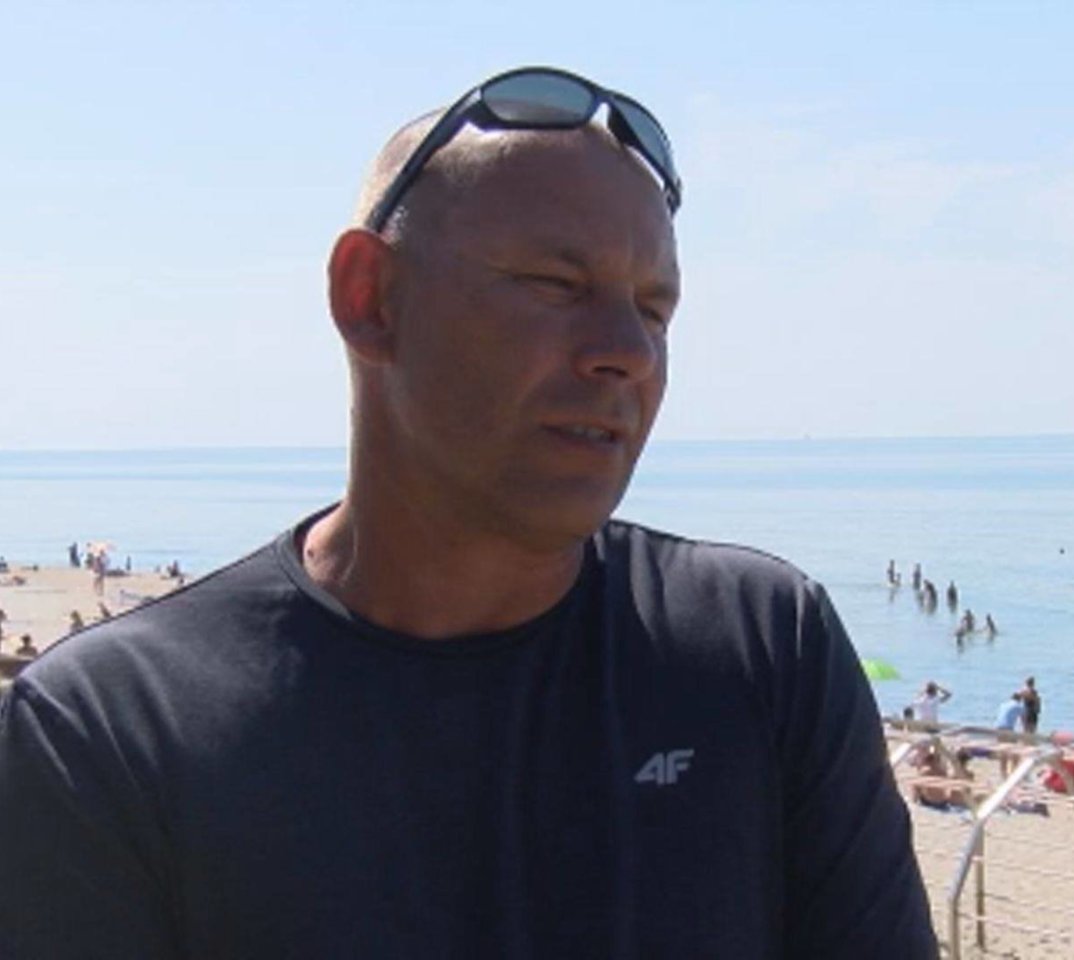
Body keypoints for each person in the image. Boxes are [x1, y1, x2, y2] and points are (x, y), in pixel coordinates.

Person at [0, 68, 934, 958]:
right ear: (370, 299)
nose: (629, 352)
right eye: (556, 286)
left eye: (654, 309)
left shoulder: (759, 645)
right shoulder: (118, 725)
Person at [994, 692, 1025, 775]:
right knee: (1016, 749)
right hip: (1007, 729)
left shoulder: (1003, 704)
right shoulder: (1018, 706)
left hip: (997, 728)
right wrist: (1024, 731)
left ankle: (1003, 771)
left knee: (1003, 750)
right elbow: (1023, 719)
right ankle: (1014, 770)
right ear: (1020, 700)